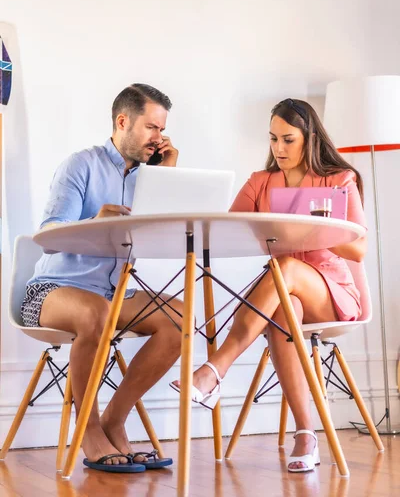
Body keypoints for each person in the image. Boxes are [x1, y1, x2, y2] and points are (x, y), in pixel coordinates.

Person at [171, 98, 367, 473]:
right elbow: (226, 233)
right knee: (283, 311)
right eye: (273, 139)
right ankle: (306, 435)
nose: (278, 148)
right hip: (282, 294)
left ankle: (215, 369)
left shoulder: (340, 178)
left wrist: (313, 229)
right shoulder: (260, 183)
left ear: (310, 138)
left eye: (288, 140)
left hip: (330, 292)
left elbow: (358, 248)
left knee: (287, 268)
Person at [23, 83, 183, 472]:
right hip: (50, 292)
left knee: (178, 319)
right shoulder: (81, 165)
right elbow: (48, 233)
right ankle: (89, 429)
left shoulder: (150, 174)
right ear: (122, 121)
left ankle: (115, 420)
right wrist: (94, 222)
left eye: (162, 130)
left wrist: (168, 179)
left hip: (112, 295)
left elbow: (161, 238)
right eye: (150, 128)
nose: (158, 138)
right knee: (95, 313)